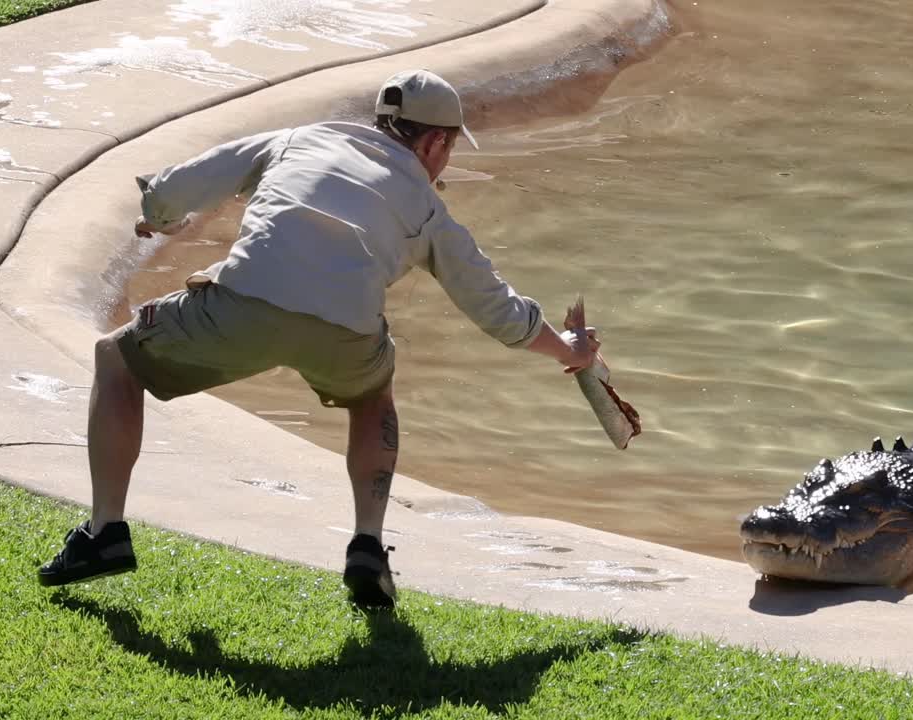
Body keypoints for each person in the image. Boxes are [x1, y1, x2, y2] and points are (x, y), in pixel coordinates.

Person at [36, 69, 599, 608]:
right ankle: (368, 546)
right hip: (346, 334)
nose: (446, 159)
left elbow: (178, 187)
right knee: (373, 393)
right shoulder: (431, 211)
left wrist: (160, 218)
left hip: (242, 307)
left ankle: (105, 530)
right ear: (431, 143)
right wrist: (569, 351)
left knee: (116, 358)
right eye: (450, 146)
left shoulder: (298, 140)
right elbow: (498, 311)